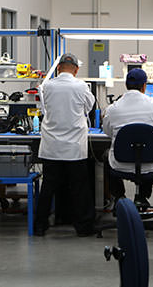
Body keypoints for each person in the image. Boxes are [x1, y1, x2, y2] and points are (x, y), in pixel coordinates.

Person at [34, 53, 96, 236]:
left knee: (48, 187)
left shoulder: (47, 86)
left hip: (51, 146)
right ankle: (83, 228)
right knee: (79, 188)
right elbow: (89, 107)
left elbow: (44, 109)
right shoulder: (81, 86)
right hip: (74, 147)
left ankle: (40, 225)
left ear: (58, 68)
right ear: (76, 70)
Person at [102, 68, 153, 206]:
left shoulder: (113, 108)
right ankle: (143, 196)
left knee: (105, 156)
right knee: (149, 159)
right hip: (151, 165)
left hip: (121, 164)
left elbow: (108, 132)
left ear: (126, 85)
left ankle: (119, 197)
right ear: (144, 86)